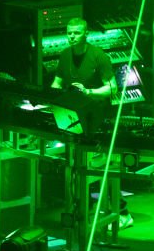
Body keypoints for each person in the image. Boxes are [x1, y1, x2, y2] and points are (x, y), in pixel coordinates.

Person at [50, 18, 132, 228]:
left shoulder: (99, 56)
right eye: (69, 32)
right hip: (74, 118)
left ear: (85, 33)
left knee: (102, 166)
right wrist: (50, 98)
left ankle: (122, 211)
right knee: (78, 167)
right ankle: (84, 210)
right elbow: (58, 82)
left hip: (98, 118)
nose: (71, 36)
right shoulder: (65, 55)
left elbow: (112, 88)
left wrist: (88, 92)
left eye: (76, 33)